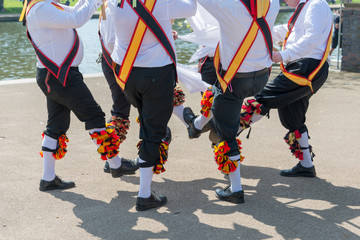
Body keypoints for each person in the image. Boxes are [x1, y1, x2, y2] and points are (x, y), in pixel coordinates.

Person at [23, 0, 139, 191]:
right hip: (61, 76)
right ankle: (115, 164)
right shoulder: (41, 8)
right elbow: (77, 19)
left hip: (57, 75)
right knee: (94, 116)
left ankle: (48, 178)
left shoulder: (45, 5)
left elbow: (75, 11)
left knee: (56, 125)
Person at [108, 0, 196, 211]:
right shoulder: (162, 3)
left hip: (126, 72)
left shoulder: (114, 2)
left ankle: (144, 187)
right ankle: (144, 194)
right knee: (152, 132)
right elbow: (191, 7)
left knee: (149, 124)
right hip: (156, 72)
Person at [196, 0, 279, 203]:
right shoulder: (272, 4)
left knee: (227, 133)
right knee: (216, 89)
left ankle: (236, 189)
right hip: (260, 78)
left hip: (235, 81)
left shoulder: (226, 6)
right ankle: (201, 123)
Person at [239, 0, 332, 177]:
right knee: (292, 116)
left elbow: (311, 38)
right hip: (305, 67)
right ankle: (306, 165)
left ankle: (227, 134)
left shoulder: (315, 4)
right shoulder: (305, 7)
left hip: (306, 67)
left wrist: (283, 55)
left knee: (262, 98)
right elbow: (286, 31)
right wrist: (257, 31)